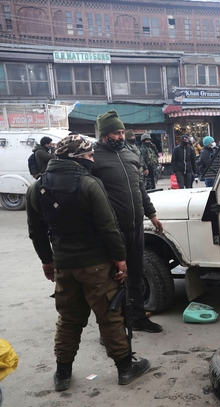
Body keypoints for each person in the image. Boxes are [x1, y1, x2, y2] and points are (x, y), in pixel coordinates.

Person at [26, 134, 150, 390]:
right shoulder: (89, 184)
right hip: (96, 264)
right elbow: (108, 226)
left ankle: (62, 374)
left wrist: (47, 261)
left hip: (63, 265)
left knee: (68, 319)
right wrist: (120, 259)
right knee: (110, 316)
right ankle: (126, 368)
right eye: (89, 156)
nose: (92, 160)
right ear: (77, 157)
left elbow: (36, 231)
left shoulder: (36, 188)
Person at [92, 110, 165, 333]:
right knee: (112, 280)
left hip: (135, 226)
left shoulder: (130, 155)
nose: (121, 136)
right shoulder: (93, 159)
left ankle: (138, 318)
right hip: (111, 230)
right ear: (104, 135)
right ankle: (112, 328)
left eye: (122, 132)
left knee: (135, 273)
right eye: (116, 133)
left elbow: (140, 188)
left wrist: (151, 214)